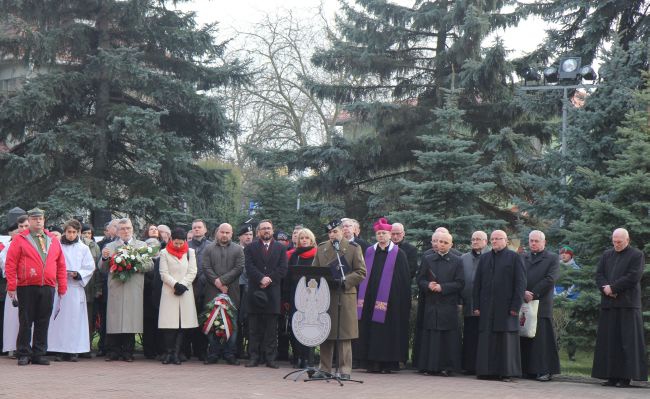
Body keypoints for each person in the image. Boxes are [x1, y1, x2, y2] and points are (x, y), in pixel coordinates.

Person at [5, 208, 67, 366]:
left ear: (44, 220)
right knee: (26, 321)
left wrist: (62, 286)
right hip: (27, 286)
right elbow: (10, 264)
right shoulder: (20, 239)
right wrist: (12, 285)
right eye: (34, 219)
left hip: (47, 285)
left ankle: (39, 353)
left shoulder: (53, 239)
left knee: (43, 321)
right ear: (29, 221)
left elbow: (60, 264)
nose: (38, 221)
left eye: (40, 219)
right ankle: (23, 353)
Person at [592, 228, 648, 388]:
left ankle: (625, 377)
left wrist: (614, 288)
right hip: (609, 304)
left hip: (627, 304)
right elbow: (599, 274)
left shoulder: (637, 255)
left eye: (619, 242)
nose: (616, 244)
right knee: (610, 341)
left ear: (627, 240)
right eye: (614, 241)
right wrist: (605, 289)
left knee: (626, 342)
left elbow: (633, 276)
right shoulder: (607, 255)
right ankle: (610, 375)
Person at [312, 219, 366, 380]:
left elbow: (361, 272)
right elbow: (314, 271)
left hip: (344, 295)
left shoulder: (353, 248)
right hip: (326, 296)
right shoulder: (321, 248)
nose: (332, 235)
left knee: (344, 335)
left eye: (335, 231)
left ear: (343, 231)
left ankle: (344, 370)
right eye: (330, 232)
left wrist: (345, 281)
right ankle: (325, 368)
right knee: (326, 333)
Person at [356, 217, 411, 373]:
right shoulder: (369, 252)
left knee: (386, 331)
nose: (381, 236)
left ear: (389, 234)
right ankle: (371, 362)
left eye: (384, 233)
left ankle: (387, 363)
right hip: (369, 299)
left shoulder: (398, 254)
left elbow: (404, 279)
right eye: (379, 233)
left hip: (391, 301)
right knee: (370, 330)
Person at [472, 230, 526, 382]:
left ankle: (506, 372)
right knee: (487, 338)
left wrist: (516, 306)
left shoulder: (515, 258)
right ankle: (486, 371)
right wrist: (476, 305)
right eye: (492, 239)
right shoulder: (485, 258)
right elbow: (477, 284)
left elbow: (520, 284)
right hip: (487, 306)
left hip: (507, 307)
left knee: (505, 340)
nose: (494, 241)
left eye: (498, 239)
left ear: (506, 240)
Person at [100, 218, 153, 362]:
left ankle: (128, 352)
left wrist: (134, 264)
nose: (125, 231)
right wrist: (105, 259)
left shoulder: (141, 245)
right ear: (117, 231)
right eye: (122, 229)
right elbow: (102, 269)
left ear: (132, 229)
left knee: (130, 319)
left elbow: (150, 266)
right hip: (116, 287)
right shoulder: (110, 246)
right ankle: (113, 351)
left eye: (128, 228)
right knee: (114, 319)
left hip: (133, 287)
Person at [415, 231, 464, 376]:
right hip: (431, 303)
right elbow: (420, 279)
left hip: (448, 304)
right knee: (431, 335)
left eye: (444, 242)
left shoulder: (457, 260)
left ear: (451, 244)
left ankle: (447, 367)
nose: (440, 244)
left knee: (447, 337)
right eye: (438, 242)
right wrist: (428, 285)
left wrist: (443, 287)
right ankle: (429, 367)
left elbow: (460, 283)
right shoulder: (428, 259)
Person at [48, 219, 96, 362]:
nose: (71, 235)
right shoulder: (56, 246)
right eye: (69, 232)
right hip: (60, 287)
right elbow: (51, 263)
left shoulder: (83, 248)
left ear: (79, 233)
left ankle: (74, 350)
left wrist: (78, 274)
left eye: (74, 232)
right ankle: (59, 350)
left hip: (75, 288)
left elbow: (89, 267)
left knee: (75, 321)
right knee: (59, 321)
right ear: (65, 231)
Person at [244, 220, 288, 368]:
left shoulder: (281, 248)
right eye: (263, 229)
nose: (267, 231)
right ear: (258, 232)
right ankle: (254, 357)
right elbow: (249, 267)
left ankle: (270, 358)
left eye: (269, 228)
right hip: (255, 291)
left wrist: (269, 279)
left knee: (271, 328)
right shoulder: (250, 248)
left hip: (273, 292)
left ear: (273, 230)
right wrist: (261, 278)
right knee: (254, 328)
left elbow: (283, 268)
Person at [520, 230, 560, 382]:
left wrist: (534, 294)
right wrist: (523, 292)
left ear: (544, 242)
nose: (534, 243)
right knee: (525, 336)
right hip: (524, 302)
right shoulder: (523, 257)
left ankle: (544, 370)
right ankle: (527, 370)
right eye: (531, 241)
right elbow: (518, 276)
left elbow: (551, 278)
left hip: (541, 303)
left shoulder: (552, 258)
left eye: (537, 241)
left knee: (542, 339)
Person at [203, 223, 244, 365]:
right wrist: (217, 282)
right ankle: (213, 353)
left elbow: (239, 268)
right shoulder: (208, 249)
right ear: (217, 233)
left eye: (227, 232)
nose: (224, 235)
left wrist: (223, 281)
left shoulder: (238, 249)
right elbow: (206, 267)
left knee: (232, 324)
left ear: (232, 234)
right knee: (211, 322)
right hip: (212, 291)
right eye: (222, 232)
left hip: (231, 291)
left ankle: (230, 353)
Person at [158, 227, 199, 365]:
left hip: (185, 292)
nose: (179, 245)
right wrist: (176, 285)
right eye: (176, 243)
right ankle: (168, 352)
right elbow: (163, 273)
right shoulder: (164, 253)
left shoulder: (190, 252)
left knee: (182, 324)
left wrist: (183, 285)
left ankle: (177, 353)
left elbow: (193, 271)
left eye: (181, 243)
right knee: (169, 325)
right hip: (170, 292)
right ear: (171, 240)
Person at [284, 228, 318, 368]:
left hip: (312, 297)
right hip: (295, 295)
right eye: (302, 238)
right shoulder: (294, 255)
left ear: (311, 240)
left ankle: (308, 357)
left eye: (306, 238)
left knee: (309, 326)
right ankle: (298, 356)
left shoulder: (317, 255)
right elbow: (288, 277)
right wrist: (286, 297)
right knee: (296, 326)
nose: (304, 240)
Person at [459, 230, 488, 375]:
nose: (475, 241)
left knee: (483, 335)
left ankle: (481, 366)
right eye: (473, 239)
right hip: (468, 302)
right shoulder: (463, 258)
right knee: (470, 335)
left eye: (478, 239)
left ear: (485, 242)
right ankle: (469, 366)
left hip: (486, 304)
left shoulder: (489, 257)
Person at [1, 215, 29, 355]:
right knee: (13, 318)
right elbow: (5, 264)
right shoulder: (10, 245)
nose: (23, 229)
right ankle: (13, 347)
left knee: (28, 318)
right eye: (20, 226)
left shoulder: (36, 242)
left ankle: (28, 346)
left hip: (30, 284)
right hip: (15, 285)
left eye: (26, 226)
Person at [236, 222, 255, 360]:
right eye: (246, 235)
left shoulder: (256, 249)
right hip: (237, 288)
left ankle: (251, 349)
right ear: (239, 237)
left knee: (250, 321)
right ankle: (237, 350)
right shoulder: (235, 249)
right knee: (237, 320)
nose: (248, 237)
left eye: (250, 235)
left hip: (252, 289)